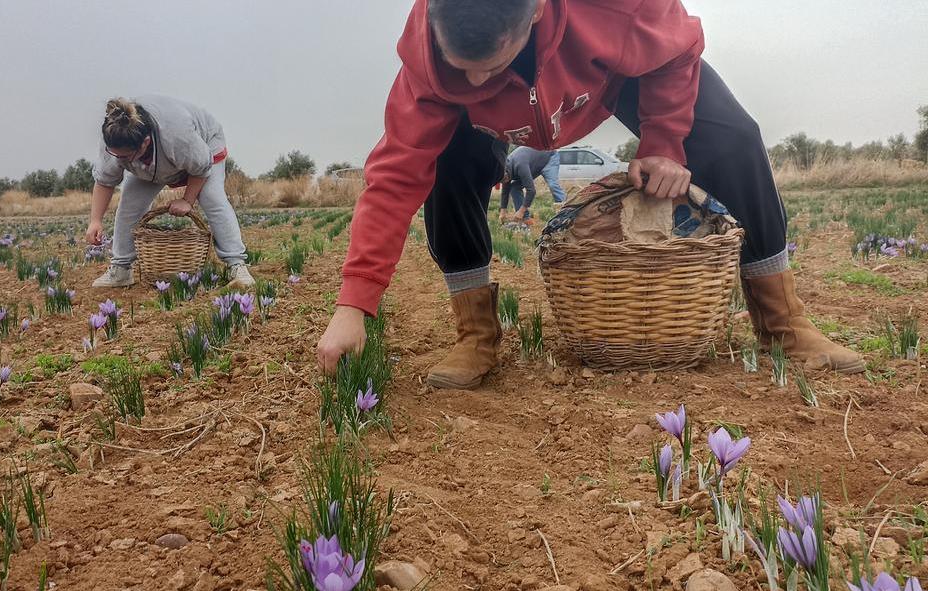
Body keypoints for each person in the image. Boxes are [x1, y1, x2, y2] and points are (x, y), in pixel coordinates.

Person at [316, 0, 864, 388]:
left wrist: (665, 141)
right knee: (443, 161)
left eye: (492, 66)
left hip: (605, 76)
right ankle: (475, 335)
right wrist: (353, 305)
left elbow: (678, 48)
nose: (477, 83)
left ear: (534, 11)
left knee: (733, 137)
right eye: (463, 70)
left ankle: (782, 324)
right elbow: (392, 180)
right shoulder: (432, 69)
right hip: (487, 126)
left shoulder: (613, 5)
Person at [86, 96, 255, 290]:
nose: (119, 161)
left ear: (145, 143)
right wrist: (95, 220)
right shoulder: (114, 136)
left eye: (125, 157)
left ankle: (237, 265)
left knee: (212, 197)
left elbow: (201, 168)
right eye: (116, 155)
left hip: (205, 143)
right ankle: (121, 270)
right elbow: (104, 181)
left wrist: (187, 200)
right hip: (152, 161)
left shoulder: (177, 134)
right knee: (129, 206)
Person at [497, 146, 566, 226]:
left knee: (553, 185)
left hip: (549, 158)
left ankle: (567, 212)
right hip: (534, 164)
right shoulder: (504, 169)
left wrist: (521, 211)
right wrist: (503, 211)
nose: (504, 182)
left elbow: (531, 191)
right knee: (514, 188)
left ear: (506, 173)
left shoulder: (520, 165)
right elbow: (505, 190)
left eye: (504, 180)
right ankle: (525, 219)